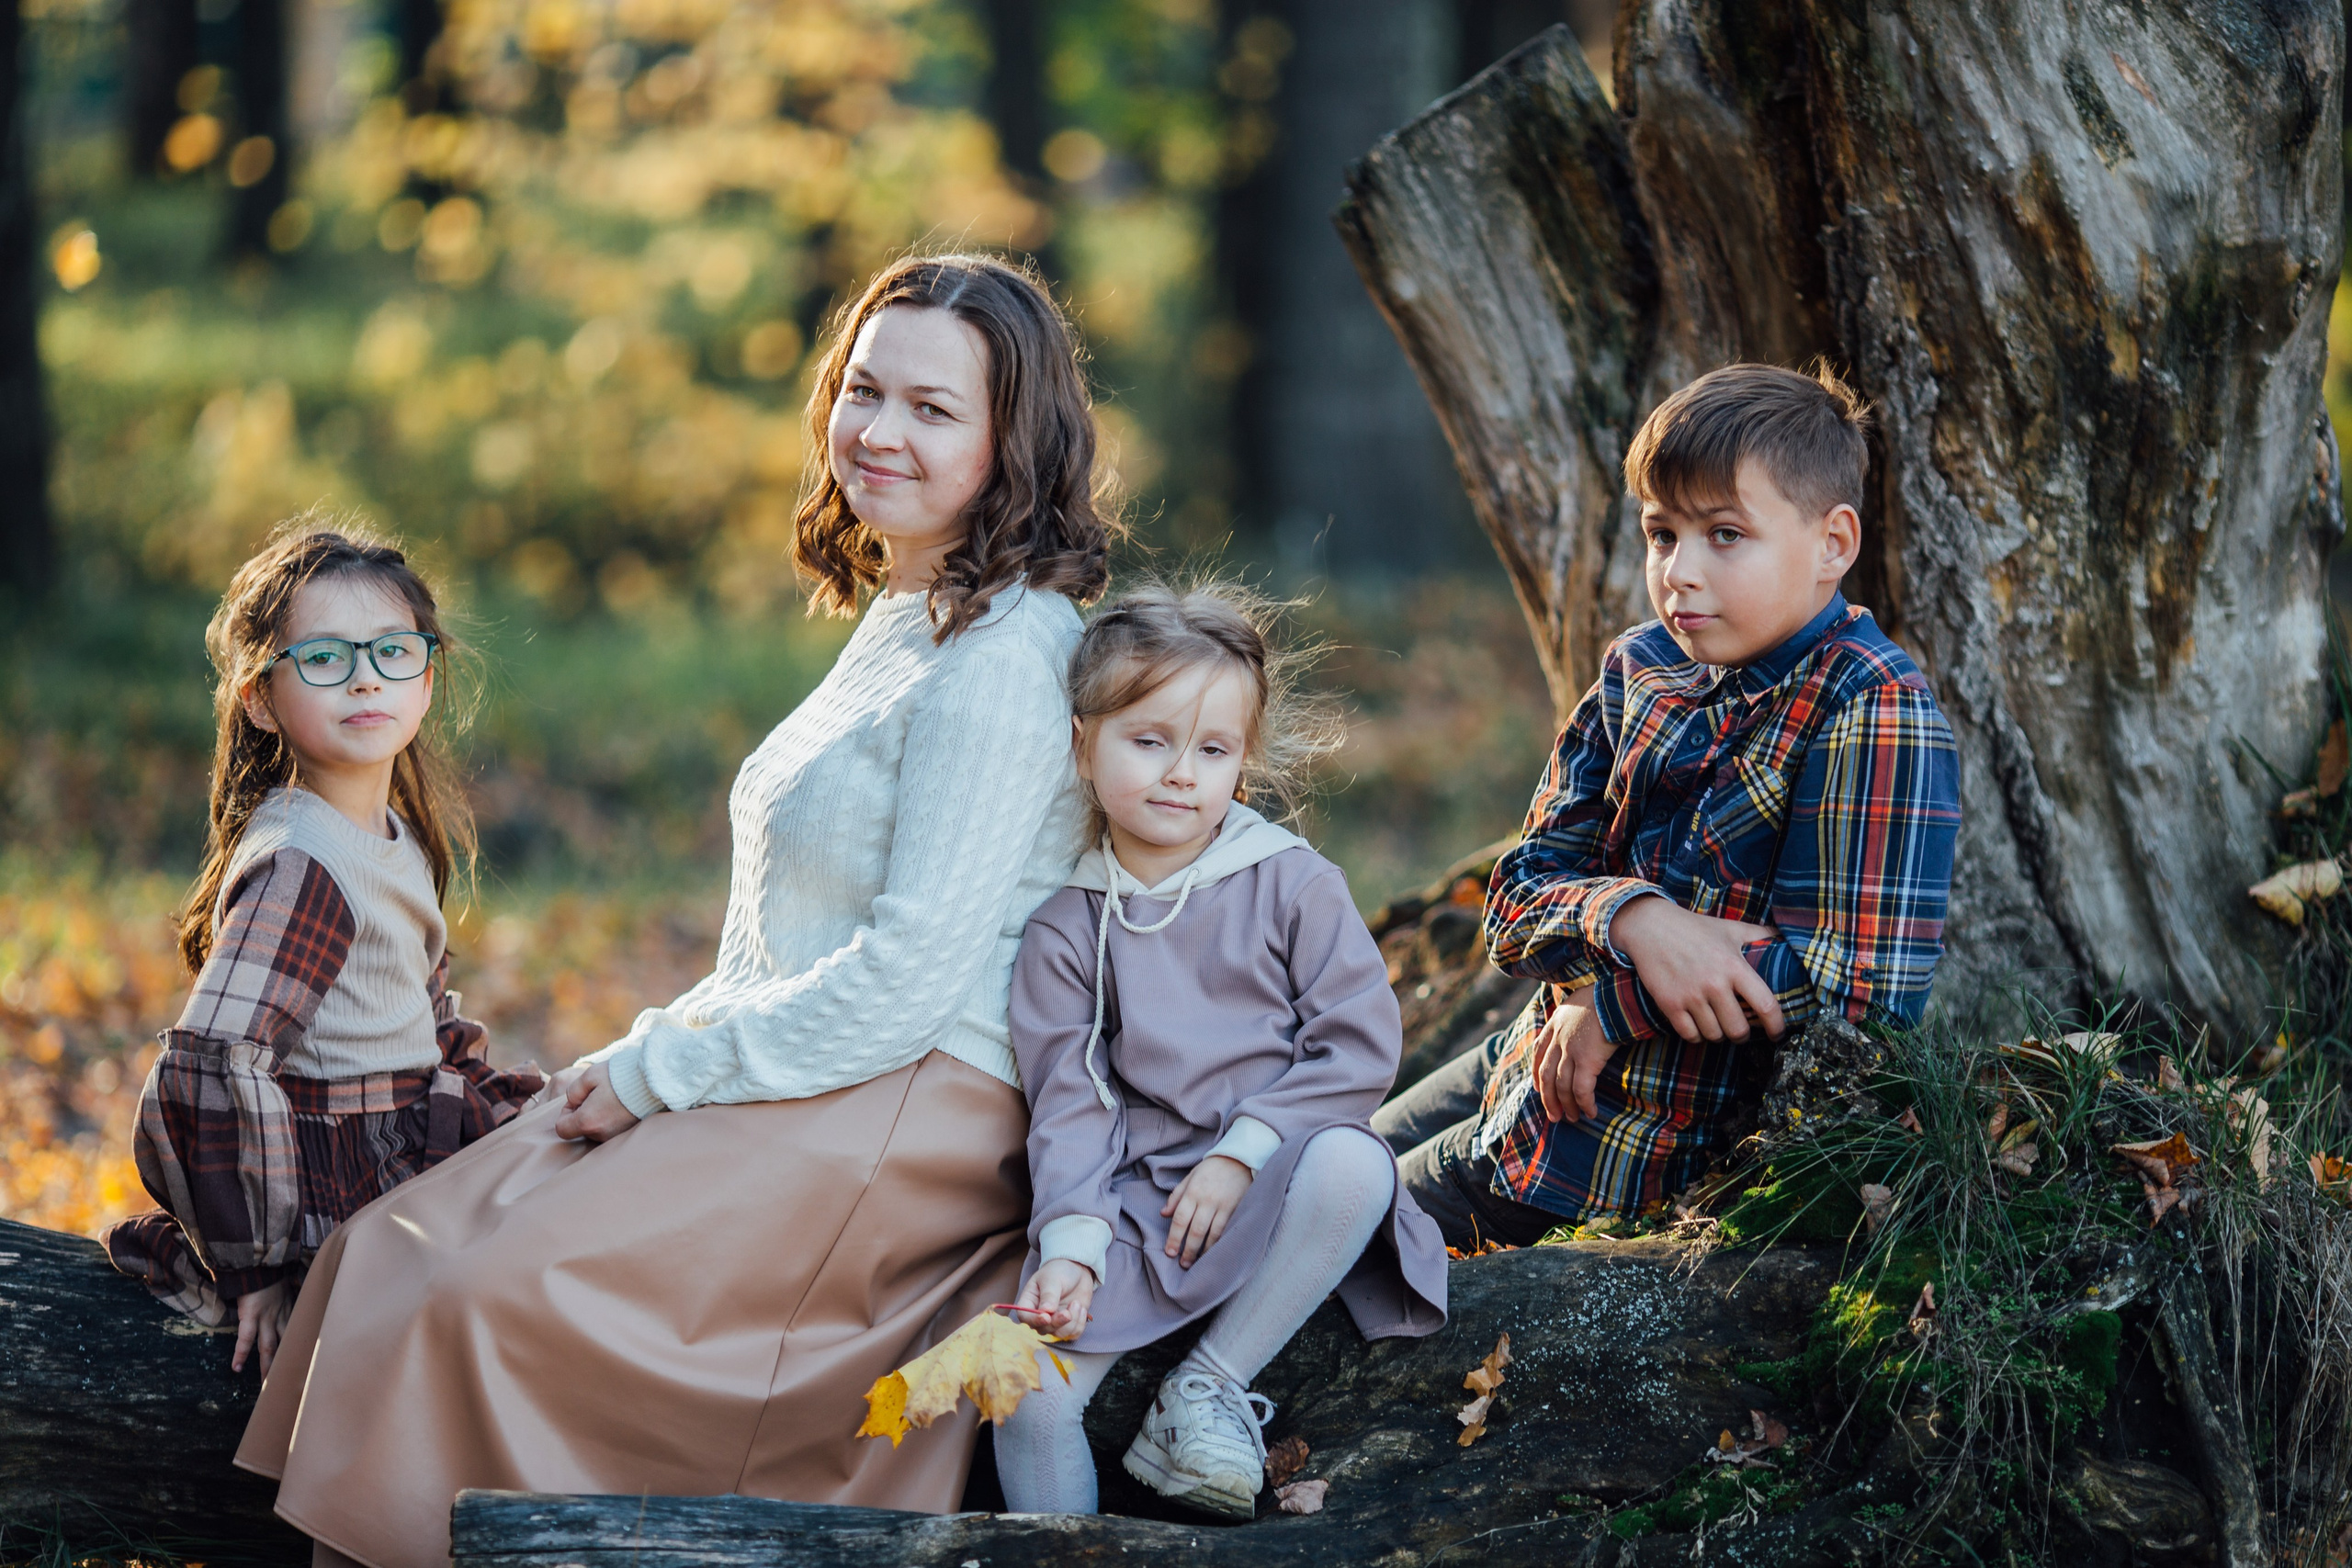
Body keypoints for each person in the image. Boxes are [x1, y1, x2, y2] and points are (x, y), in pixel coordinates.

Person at [233, 253, 1114, 1568]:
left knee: (484, 1294)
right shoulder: (909, 616)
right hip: (804, 1055)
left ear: (1013, 440)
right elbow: (790, 937)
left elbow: (909, 973)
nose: (880, 430)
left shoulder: (1008, 656)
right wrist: (648, 1051)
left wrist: (661, 1069)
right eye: (864, 390)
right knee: (392, 1245)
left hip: (910, 1100)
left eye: (935, 409)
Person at [1374, 363, 1962, 1247]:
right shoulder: (1641, 670)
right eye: (1661, 534)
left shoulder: (1872, 708)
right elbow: (1518, 895)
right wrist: (1641, 922)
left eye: (1726, 534)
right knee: (1314, 1166)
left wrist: (1616, 1002)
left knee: (1312, 1225)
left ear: (1834, 544)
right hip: (1533, 1056)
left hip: (1639, 1140)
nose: (1679, 572)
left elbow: (1860, 994)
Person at [994, 583, 1448, 1520]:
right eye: (1148, 741)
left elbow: (1354, 1047)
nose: (1178, 775)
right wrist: (1072, 1248)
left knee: (1355, 1161)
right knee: (1025, 1398)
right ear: (1082, 742)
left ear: (1244, 761)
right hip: (1139, 1200)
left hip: (1277, 1169)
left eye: (1211, 750)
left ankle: (1205, 1384)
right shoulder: (1067, 927)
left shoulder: (1289, 882)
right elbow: (1068, 1099)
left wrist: (1239, 1154)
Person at [103, 525, 542, 1379]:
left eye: (391, 651)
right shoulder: (304, 863)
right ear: (262, 697)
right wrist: (256, 1263)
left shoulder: (386, 832)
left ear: (426, 677)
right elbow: (210, 1060)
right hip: (348, 1193)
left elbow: (420, 1004)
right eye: (325, 659)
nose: (366, 675)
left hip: (413, 1139)